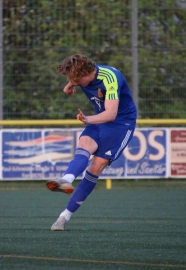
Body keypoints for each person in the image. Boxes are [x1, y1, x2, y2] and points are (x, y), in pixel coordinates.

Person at [46, 54, 137, 231]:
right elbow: (76, 80)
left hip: (121, 124)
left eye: (77, 79)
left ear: (88, 72)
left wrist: (88, 119)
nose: (76, 82)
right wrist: (68, 86)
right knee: (84, 147)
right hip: (99, 120)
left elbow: (111, 114)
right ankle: (66, 179)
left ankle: (64, 217)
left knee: (94, 168)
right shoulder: (82, 77)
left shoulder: (111, 78)